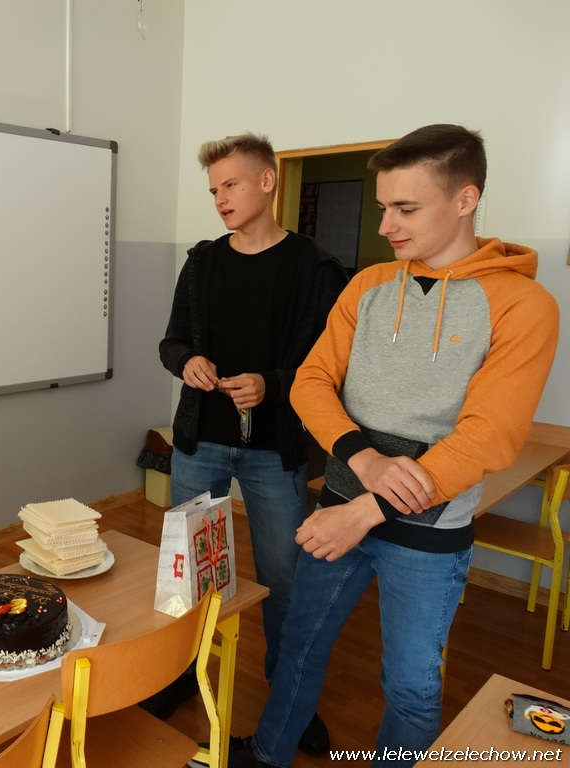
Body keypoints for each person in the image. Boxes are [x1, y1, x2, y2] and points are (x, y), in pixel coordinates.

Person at [232, 124, 560, 768]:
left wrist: (368, 510)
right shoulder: (369, 286)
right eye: (384, 206)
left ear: (465, 199)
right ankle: (269, 754)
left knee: (410, 683)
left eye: (405, 208)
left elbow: (488, 437)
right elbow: (311, 381)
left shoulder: (524, 305)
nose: (386, 225)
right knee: (299, 645)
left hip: (427, 531)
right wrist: (364, 459)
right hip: (342, 503)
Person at [154, 132, 348, 752]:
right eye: (213, 189)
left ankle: (290, 701)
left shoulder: (316, 269)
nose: (220, 198)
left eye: (230, 184)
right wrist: (186, 362)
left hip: (275, 450)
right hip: (200, 443)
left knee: (283, 579)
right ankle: (179, 674)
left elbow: (331, 364)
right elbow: (171, 342)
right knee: (190, 573)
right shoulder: (202, 263)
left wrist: (273, 384)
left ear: (267, 181)